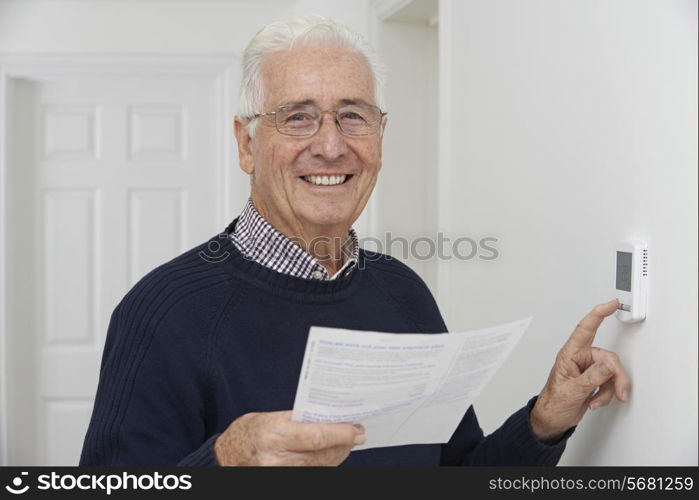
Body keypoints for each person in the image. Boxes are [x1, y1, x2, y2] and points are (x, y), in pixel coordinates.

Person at [79, 15, 630, 466]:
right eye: (298, 117)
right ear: (246, 143)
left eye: (352, 116)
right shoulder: (163, 311)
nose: (330, 145)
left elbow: (457, 472)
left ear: (380, 137)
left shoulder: (403, 292)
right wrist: (225, 459)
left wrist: (546, 420)